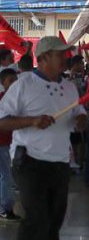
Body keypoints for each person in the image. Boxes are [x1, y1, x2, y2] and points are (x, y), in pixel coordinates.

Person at [0, 36, 87, 239]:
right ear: (44, 57)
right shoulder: (23, 84)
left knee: (54, 220)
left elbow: (78, 114)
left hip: (60, 162)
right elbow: (2, 121)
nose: (65, 58)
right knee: (37, 218)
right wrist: (32, 121)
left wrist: (82, 120)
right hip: (29, 162)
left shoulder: (69, 88)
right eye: (60, 54)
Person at [0, 68, 19, 221]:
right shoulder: (3, 99)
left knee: (5, 176)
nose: (14, 83)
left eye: (15, 80)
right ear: (3, 83)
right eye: (10, 80)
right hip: (2, 143)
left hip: (10, 144)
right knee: (6, 176)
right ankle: (5, 208)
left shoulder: (19, 100)